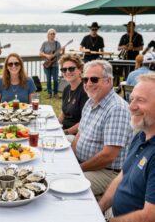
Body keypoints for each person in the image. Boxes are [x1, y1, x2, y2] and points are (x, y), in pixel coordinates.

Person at [72, 60, 133, 197]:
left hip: (107, 172)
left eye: (94, 79)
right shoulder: (90, 101)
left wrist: (77, 169)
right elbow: (79, 134)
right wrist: (70, 158)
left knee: (71, 185)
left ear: (108, 81)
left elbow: (108, 156)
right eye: (85, 79)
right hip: (86, 165)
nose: (88, 84)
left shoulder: (117, 109)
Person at [99, 73, 155, 221]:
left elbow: (150, 216)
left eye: (141, 100)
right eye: (131, 99)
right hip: (114, 214)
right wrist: (99, 208)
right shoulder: (141, 135)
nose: (131, 107)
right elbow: (123, 175)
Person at [58, 54, 88, 136]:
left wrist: (66, 132)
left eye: (71, 69)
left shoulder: (85, 90)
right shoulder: (66, 89)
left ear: (80, 69)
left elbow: (86, 121)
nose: (67, 72)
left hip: (77, 135)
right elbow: (64, 113)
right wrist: (55, 126)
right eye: (64, 69)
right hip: (64, 130)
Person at [40, 28, 64, 99]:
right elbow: (40, 53)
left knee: (56, 80)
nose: (52, 35)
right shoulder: (44, 43)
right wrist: (47, 55)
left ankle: (55, 93)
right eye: (51, 33)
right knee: (48, 80)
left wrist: (63, 51)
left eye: (53, 33)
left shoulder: (57, 44)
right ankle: (49, 93)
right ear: (48, 35)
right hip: (47, 64)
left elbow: (60, 55)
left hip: (55, 64)